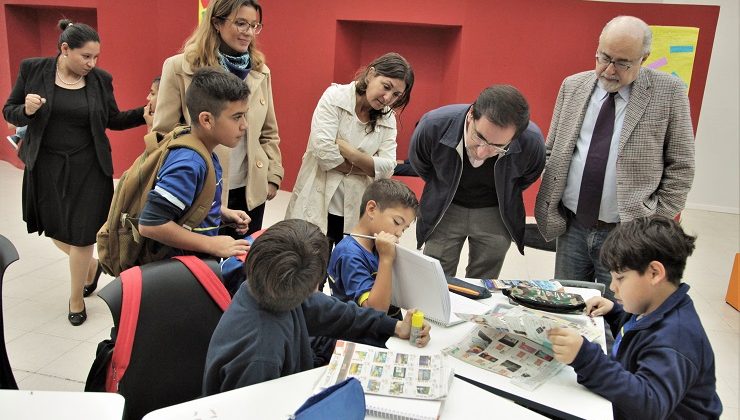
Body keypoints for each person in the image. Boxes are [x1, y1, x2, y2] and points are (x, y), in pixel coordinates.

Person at [534, 16, 695, 299]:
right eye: (604, 57)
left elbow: (681, 166)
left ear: (643, 59)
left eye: (622, 63)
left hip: (627, 232)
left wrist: (653, 219)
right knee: (567, 305)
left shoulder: (669, 93)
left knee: (617, 310)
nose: (609, 70)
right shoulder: (573, 86)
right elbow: (553, 148)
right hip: (572, 226)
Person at [2, 19, 146, 326]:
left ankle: (76, 298)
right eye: (86, 57)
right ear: (65, 49)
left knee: (82, 236)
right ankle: (90, 268)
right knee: (54, 229)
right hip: (47, 165)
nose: (92, 64)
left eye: (96, 57)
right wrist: (25, 109)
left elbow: (113, 119)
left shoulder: (99, 80)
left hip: (90, 167)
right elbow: (9, 110)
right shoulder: (34, 70)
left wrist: (143, 115)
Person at [202, 219, 431, 395]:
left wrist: (395, 326)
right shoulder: (260, 357)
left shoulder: (262, 287)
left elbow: (336, 312)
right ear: (314, 285)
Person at [547, 216, 722, 419]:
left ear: (655, 273)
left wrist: (586, 359)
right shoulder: (653, 308)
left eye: (620, 278)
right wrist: (615, 313)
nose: (613, 287)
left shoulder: (675, 339)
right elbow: (637, 333)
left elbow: (650, 406)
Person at [153, 0, 283, 238]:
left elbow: (268, 131)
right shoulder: (179, 67)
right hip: (201, 186)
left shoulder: (260, 70)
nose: (249, 33)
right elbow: (164, 133)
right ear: (216, 23)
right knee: (204, 266)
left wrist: (273, 175)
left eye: (255, 25)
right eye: (241, 23)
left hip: (248, 189)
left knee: (242, 262)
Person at [409, 85, 545, 280]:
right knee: (436, 275)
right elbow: (421, 164)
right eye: (479, 137)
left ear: (515, 137)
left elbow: (527, 176)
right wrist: (443, 187)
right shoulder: (434, 125)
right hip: (446, 208)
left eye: (497, 146)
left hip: (496, 213)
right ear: (472, 114)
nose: (482, 152)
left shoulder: (531, 141)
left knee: (485, 279)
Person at [285, 52, 414, 247]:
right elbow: (324, 155)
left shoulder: (388, 118)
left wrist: (351, 153)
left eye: (396, 95)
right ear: (371, 75)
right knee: (310, 262)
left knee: (346, 267)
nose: (388, 98)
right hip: (317, 198)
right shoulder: (335, 97)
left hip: (356, 206)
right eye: (386, 87)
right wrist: (368, 166)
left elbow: (387, 168)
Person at [138, 67, 251, 259]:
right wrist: (211, 244)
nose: (244, 125)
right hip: (179, 272)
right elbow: (150, 224)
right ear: (206, 120)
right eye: (237, 117)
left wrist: (221, 212)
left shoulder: (204, 150)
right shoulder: (189, 163)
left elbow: (191, 200)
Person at [329, 178, 419, 316]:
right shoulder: (349, 254)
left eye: (404, 229)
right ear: (371, 209)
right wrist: (386, 260)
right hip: (359, 334)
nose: (399, 233)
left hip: (389, 328)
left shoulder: (379, 246)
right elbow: (375, 312)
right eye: (397, 222)